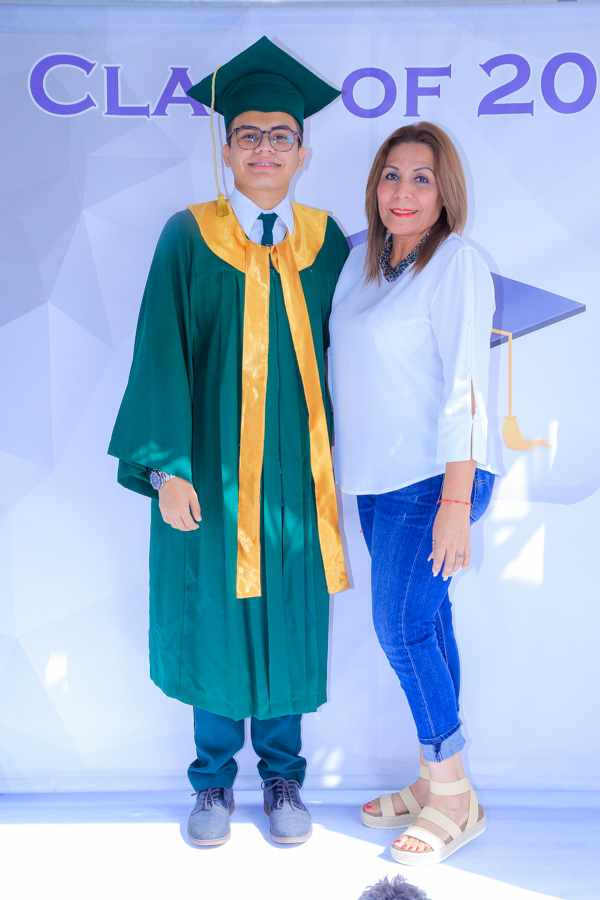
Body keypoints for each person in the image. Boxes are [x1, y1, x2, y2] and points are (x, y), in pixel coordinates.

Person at [108, 36, 350, 847]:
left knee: (287, 617)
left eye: (281, 136)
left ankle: (283, 777)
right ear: (226, 149)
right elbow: (160, 352)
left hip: (295, 480)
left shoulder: (326, 241)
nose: (264, 149)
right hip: (208, 474)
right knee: (213, 614)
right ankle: (212, 780)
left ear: (303, 153)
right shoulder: (188, 235)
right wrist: (166, 472)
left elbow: (354, 352)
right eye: (248, 135)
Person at [329, 122, 498, 865]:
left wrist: (456, 505)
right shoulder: (361, 263)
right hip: (376, 479)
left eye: (421, 178)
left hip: (435, 479)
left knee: (400, 629)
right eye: (391, 175)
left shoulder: (456, 262)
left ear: (445, 192)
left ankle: (454, 798)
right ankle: (436, 782)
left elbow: (467, 387)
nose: (403, 191)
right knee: (425, 623)